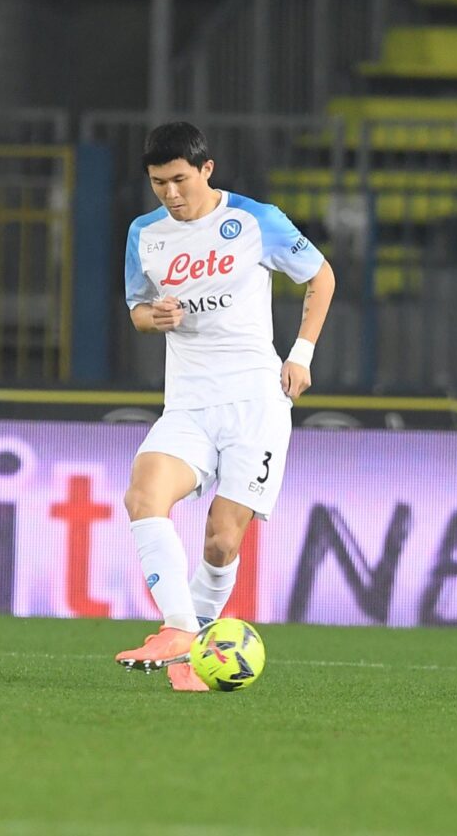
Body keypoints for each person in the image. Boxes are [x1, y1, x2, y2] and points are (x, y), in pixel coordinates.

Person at [114, 122, 335, 692]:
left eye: (180, 180)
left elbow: (321, 276)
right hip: (188, 402)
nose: (170, 194)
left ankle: (192, 655)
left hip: (255, 402)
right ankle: (180, 629)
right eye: (158, 182)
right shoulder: (145, 234)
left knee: (221, 539)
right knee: (143, 494)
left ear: (207, 170)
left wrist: (302, 353)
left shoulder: (256, 220)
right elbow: (137, 309)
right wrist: (151, 318)